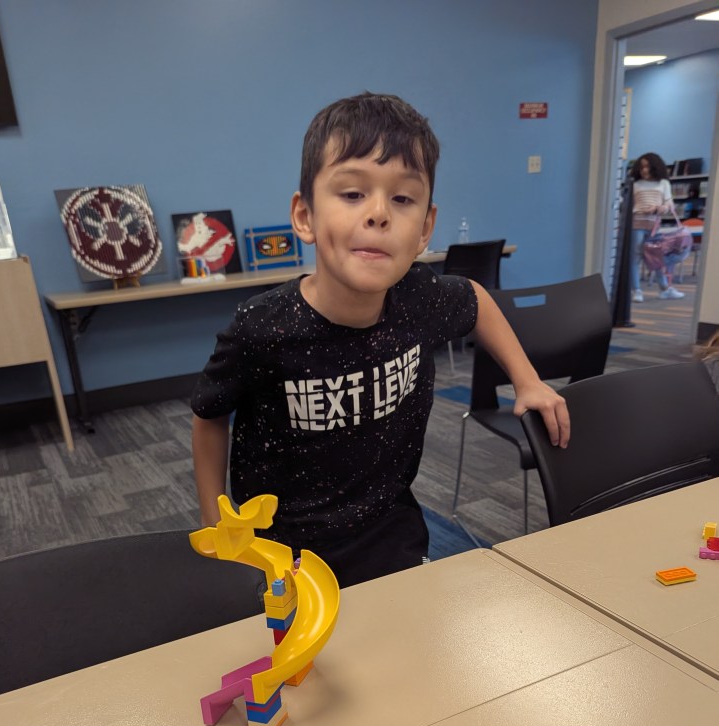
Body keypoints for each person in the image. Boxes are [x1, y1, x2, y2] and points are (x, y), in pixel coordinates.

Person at [191, 92, 569, 588]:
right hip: (282, 555)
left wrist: (527, 380)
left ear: (425, 228)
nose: (378, 214)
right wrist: (214, 527)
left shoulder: (420, 297)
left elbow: (476, 298)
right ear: (305, 216)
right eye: (352, 194)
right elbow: (209, 416)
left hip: (392, 534)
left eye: (402, 199)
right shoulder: (261, 327)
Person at [630, 152, 684, 302]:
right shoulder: (635, 185)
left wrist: (662, 208)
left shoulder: (663, 183)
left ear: (655, 167)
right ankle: (637, 290)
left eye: (647, 166)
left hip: (654, 225)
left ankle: (664, 288)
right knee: (635, 257)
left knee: (656, 257)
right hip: (637, 223)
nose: (644, 170)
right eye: (641, 167)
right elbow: (630, 206)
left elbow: (669, 203)